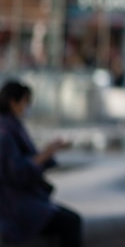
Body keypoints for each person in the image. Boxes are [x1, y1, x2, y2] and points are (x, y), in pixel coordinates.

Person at [0, 79, 82, 246]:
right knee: (71, 223)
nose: (27, 107)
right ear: (13, 102)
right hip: (15, 205)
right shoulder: (6, 132)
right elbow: (17, 172)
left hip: (23, 200)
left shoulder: (12, 127)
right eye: (25, 102)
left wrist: (49, 152)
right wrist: (48, 152)